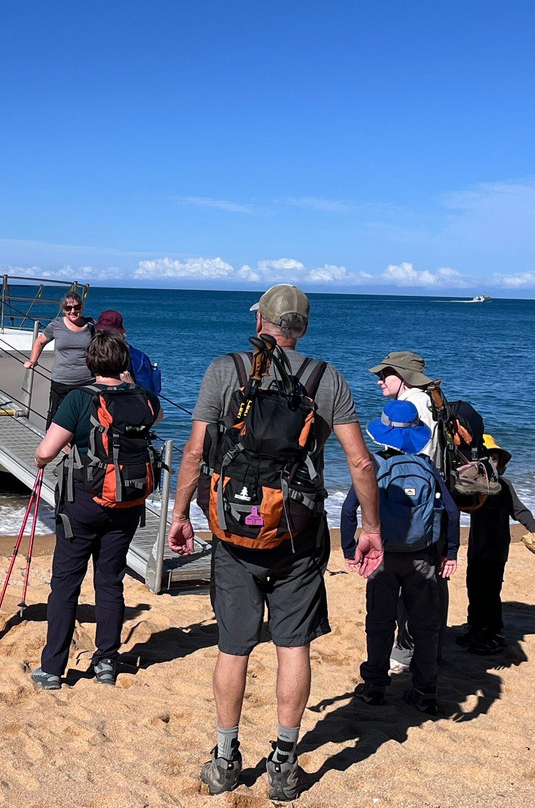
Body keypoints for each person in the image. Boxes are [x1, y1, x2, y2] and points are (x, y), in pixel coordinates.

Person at [166, 284, 383, 801]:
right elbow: (361, 463)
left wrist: (179, 514)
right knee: (293, 646)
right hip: (297, 537)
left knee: (233, 648)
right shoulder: (325, 377)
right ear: (301, 327)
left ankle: (225, 759)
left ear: (260, 319)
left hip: (234, 533)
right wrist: (370, 528)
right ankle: (284, 764)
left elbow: (195, 452)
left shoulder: (226, 370)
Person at [30, 330, 162, 690]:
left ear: (90, 362)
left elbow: (46, 451)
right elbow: (157, 418)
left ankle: (53, 669)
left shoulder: (79, 398)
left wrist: (44, 458)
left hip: (83, 503)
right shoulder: (145, 398)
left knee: (66, 584)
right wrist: (130, 381)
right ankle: (106, 661)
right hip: (128, 502)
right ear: (124, 363)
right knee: (110, 581)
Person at [342, 400, 459, 717]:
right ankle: (425, 693)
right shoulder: (427, 465)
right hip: (421, 557)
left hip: (382, 558)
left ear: (382, 433)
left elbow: (348, 508)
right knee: (425, 627)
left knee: (379, 624)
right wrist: (450, 553)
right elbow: (451, 511)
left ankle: (375, 688)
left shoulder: (374, 465)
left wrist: (349, 550)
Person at [367, 351, 439, 673]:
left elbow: (414, 463)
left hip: (414, 515)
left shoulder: (417, 403)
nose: (380, 380)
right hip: (424, 510)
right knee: (422, 584)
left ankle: (408, 650)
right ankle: (418, 653)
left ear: (404, 377)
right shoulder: (419, 401)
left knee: (414, 588)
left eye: (386, 374)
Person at [460, 434, 535, 655]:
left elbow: (520, 511)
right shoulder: (472, 486)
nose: (492, 462)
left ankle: (493, 633)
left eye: (495, 458)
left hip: (496, 548)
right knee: (473, 588)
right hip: (476, 547)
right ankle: (475, 628)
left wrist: (534, 528)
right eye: (487, 458)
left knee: (490, 592)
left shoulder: (504, 485)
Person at [23, 292, 94, 426]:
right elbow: (40, 342)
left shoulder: (90, 326)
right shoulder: (56, 325)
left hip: (87, 381)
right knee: (56, 419)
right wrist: (33, 360)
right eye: (68, 308)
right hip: (62, 382)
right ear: (63, 310)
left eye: (76, 307)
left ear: (81, 307)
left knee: (84, 419)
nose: (73, 311)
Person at [93, 309, 162, 394]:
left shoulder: (139, 359)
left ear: (119, 334)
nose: (104, 337)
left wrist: (130, 384)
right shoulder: (91, 352)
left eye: (109, 333)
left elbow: (148, 393)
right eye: (100, 332)